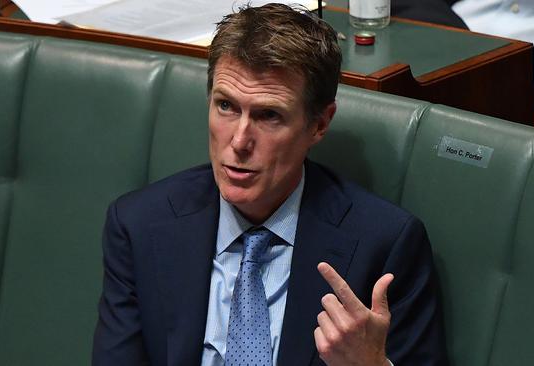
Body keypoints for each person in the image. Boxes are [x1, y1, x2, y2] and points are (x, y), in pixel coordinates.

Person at [92, 3, 447, 366]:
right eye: (226, 106)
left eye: (269, 115)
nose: (239, 141)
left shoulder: (385, 245)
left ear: (320, 124)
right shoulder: (139, 225)